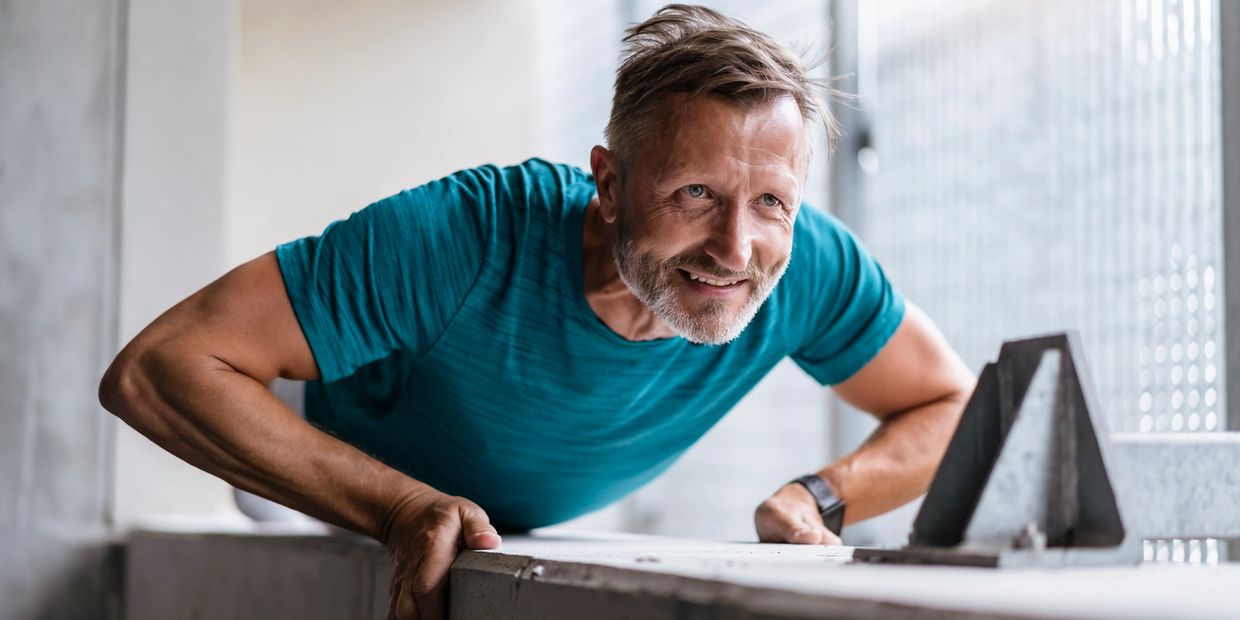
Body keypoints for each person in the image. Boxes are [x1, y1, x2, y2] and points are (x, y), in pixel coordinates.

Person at [99, 4, 974, 619]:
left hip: (518, 502)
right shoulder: (467, 234)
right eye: (695, 193)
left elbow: (954, 405)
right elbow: (162, 366)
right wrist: (398, 509)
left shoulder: (808, 264)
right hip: (312, 481)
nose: (736, 249)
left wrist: (820, 496)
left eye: (772, 203)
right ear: (608, 183)